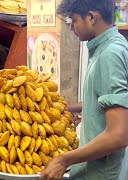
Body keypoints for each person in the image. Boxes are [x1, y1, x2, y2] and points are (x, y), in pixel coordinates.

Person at [40, 0, 128, 179]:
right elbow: (103, 99)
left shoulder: (110, 55)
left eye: (74, 20)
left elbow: (119, 134)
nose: (72, 27)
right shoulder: (110, 45)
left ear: (91, 17)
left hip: (99, 173)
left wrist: (63, 160)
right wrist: (65, 108)